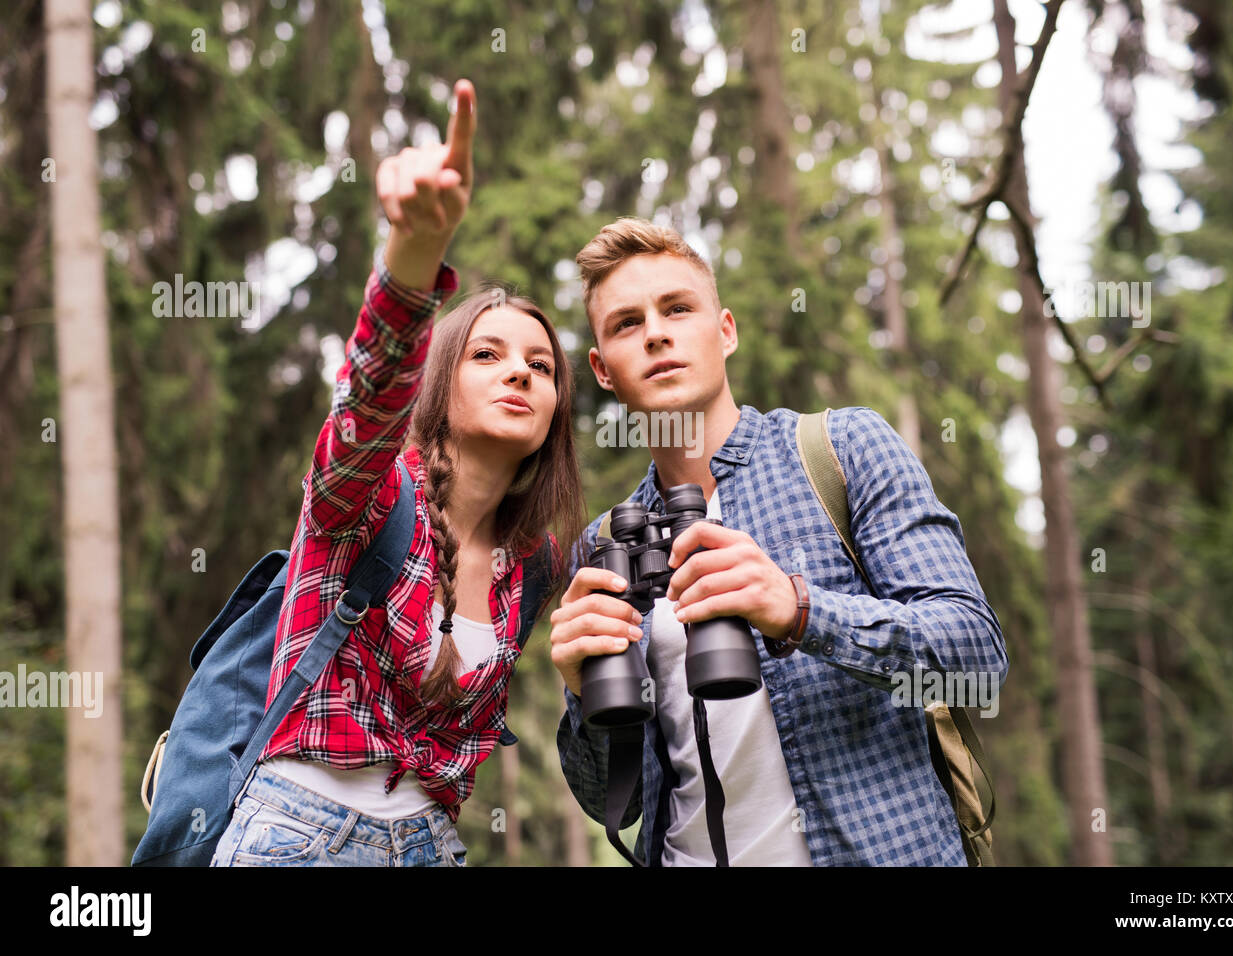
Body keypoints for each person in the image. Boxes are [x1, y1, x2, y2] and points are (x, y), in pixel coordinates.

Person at [549, 217, 1008, 866]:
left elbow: (977, 655)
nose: (655, 332)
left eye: (677, 308)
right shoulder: (605, 548)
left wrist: (799, 610)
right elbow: (613, 805)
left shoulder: (841, 450)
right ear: (602, 369)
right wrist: (580, 695)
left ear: (725, 331)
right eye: (627, 323)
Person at [211, 79, 585, 867]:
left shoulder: (534, 567)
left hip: (432, 848)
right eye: (487, 355)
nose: (519, 373)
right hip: (299, 834)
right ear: (439, 381)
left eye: (541, 365)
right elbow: (368, 400)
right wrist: (415, 254)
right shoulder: (368, 496)